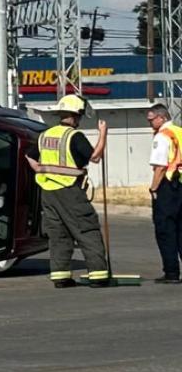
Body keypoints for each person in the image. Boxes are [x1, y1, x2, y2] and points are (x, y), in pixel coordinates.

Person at [27, 94, 110, 288]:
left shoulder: (45, 135)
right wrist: (103, 133)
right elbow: (95, 157)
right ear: (75, 116)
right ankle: (98, 275)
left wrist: (42, 170)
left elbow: (30, 157)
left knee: (59, 234)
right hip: (69, 190)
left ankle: (60, 276)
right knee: (87, 228)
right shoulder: (74, 136)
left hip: (47, 192)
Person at [145, 103, 182, 284]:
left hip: (168, 187)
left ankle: (172, 272)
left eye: (151, 119)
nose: (149, 123)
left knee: (165, 230)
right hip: (181, 185)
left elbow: (160, 167)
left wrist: (153, 188)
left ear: (162, 117)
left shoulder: (162, 136)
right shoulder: (179, 132)